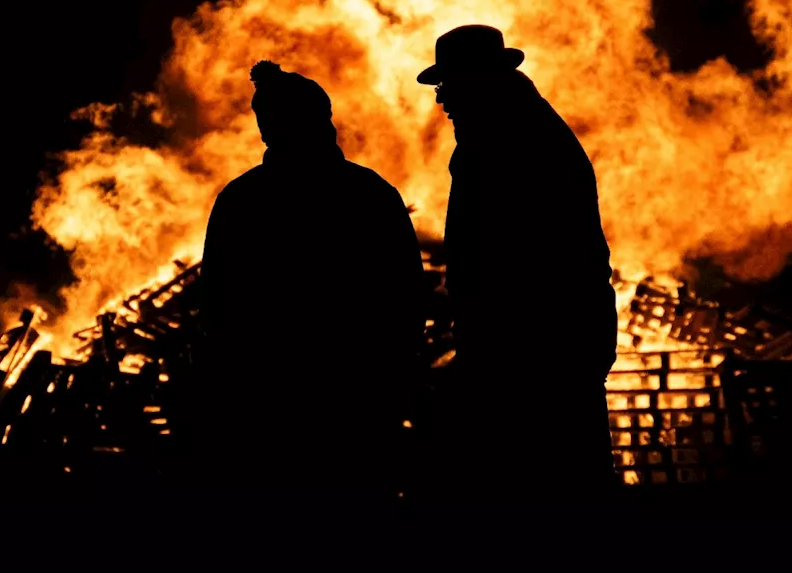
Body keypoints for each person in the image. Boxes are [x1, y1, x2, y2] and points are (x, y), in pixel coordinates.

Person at [196, 60, 427, 503]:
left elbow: (216, 311)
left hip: (267, 410)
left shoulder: (242, 201)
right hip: (356, 406)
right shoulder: (370, 194)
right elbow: (408, 300)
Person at [416, 25, 617, 502]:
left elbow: (504, 259)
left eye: (448, 85)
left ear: (477, 79)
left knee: (534, 486)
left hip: (529, 348)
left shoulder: (501, 144)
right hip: (554, 343)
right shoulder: (524, 129)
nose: (442, 100)